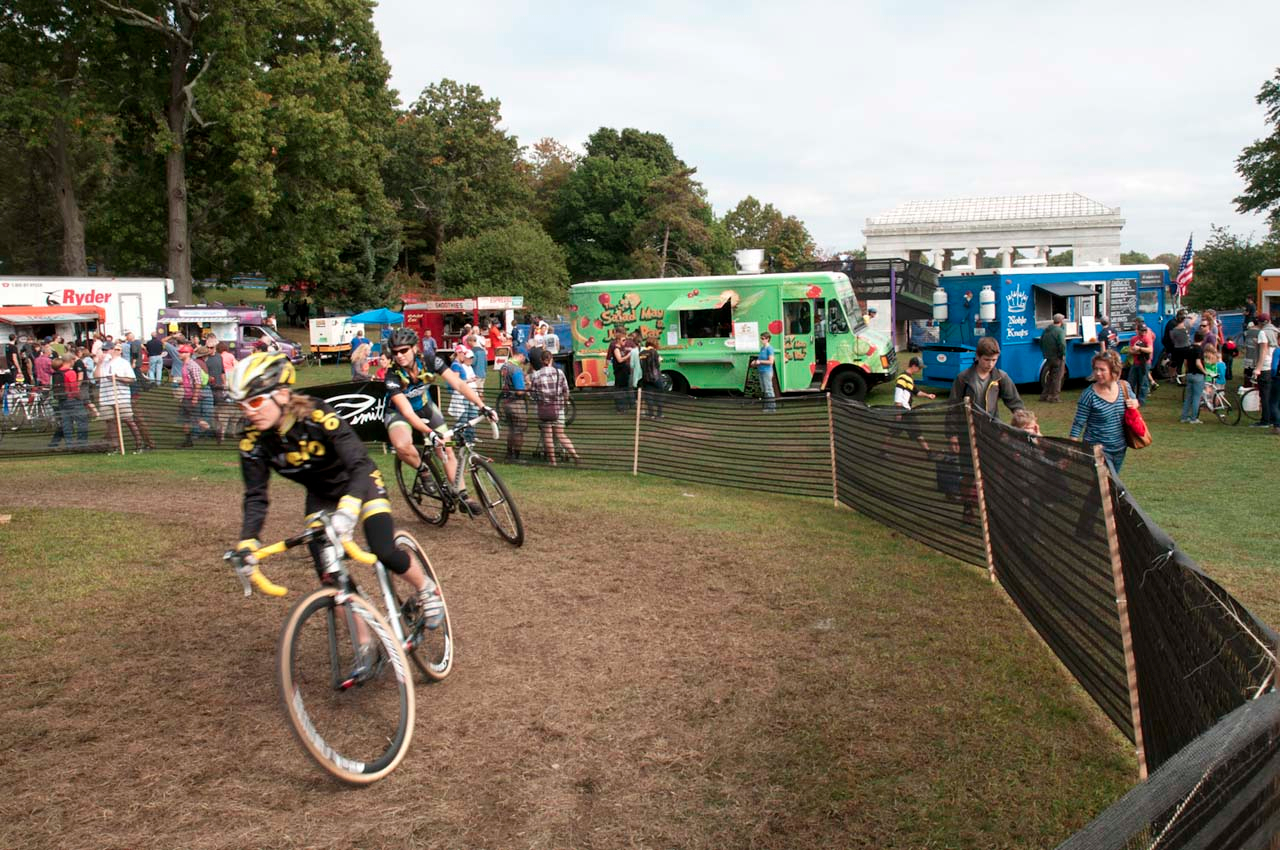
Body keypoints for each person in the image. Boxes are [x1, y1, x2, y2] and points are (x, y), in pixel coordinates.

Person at [228, 352, 446, 647]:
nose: (249, 412)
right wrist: (247, 542)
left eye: (254, 402)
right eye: (241, 405)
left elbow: (358, 462)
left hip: (360, 483)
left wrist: (348, 509)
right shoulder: (252, 441)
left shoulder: (316, 415)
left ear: (280, 394)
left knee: (383, 549)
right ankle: (366, 645)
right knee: (329, 576)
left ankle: (426, 589)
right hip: (321, 496)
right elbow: (256, 495)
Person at [381, 328, 494, 512]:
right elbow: (408, 413)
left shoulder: (430, 360)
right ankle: (423, 471)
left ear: (414, 348)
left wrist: (482, 406)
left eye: (403, 350)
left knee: (446, 449)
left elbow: (458, 383)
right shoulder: (392, 376)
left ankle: (463, 495)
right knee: (402, 445)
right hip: (399, 413)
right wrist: (430, 434)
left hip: (425, 407)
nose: (399, 356)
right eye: (394, 352)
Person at [1070, 352, 1139, 474]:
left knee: (1111, 484)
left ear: (1114, 371)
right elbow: (1078, 423)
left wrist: (1134, 403)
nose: (1097, 373)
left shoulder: (1124, 387)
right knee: (1102, 485)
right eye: (1096, 369)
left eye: (1102, 370)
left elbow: (1134, 401)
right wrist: (1071, 446)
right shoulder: (1089, 395)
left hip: (1120, 448)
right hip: (1097, 450)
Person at [949, 336, 1025, 421]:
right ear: (977, 356)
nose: (990, 364)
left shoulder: (1001, 377)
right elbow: (953, 407)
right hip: (969, 427)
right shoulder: (963, 378)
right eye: (987, 360)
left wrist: (1023, 419)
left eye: (994, 360)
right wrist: (953, 432)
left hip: (992, 428)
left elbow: (1015, 402)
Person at [95, 340, 146, 453]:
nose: (105, 352)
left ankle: (139, 444)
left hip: (121, 397)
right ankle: (115, 446)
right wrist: (99, 364)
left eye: (107, 350)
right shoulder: (102, 363)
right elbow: (97, 378)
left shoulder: (123, 363)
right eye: (103, 350)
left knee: (128, 420)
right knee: (110, 422)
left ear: (113, 350)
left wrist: (117, 378)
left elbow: (131, 379)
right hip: (105, 397)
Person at [529, 351, 579, 466]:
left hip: (543, 409)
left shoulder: (536, 375)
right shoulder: (559, 373)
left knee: (547, 435)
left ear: (541, 360)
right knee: (561, 434)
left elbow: (533, 393)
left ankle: (553, 461)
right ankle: (575, 454)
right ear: (551, 359)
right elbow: (566, 390)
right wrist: (564, 403)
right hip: (558, 408)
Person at [497, 351, 528, 459]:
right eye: (524, 358)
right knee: (519, 431)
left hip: (506, 402)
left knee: (511, 429)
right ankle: (517, 456)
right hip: (516, 403)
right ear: (520, 355)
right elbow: (520, 391)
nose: (524, 361)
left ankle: (509, 453)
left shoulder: (504, 366)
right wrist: (528, 389)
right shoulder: (516, 369)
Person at [1180, 330, 1206, 424]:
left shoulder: (1188, 348)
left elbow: (1185, 362)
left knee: (1188, 397)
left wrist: (1187, 370)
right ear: (1202, 339)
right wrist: (1204, 372)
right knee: (1196, 398)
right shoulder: (1199, 349)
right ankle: (1194, 418)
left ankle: (1184, 417)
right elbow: (1198, 363)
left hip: (1189, 374)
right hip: (1198, 375)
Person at [1038, 313, 1066, 402]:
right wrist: (1062, 354)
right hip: (1057, 357)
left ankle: (1044, 395)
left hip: (1048, 357)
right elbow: (1062, 344)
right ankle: (1054, 396)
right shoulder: (1059, 331)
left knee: (1050, 377)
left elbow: (1041, 342)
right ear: (1061, 321)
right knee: (1057, 377)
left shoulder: (1046, 330)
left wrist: (1045, 353)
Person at [1253, 314, 1274, 428]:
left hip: (1265, 367)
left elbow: (1264, 351)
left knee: (1264, 395)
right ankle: (1273, 418)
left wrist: (1258, 369)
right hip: (1274, 366)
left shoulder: (1263, 333)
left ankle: (1265, 420)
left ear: (1260, 323)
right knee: (1273, 395)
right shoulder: (1275, 330)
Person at [1128, 318, 1155, 405]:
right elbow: (1130, 351)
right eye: (1142, 331)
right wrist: (1136, 351)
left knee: (1143, 382)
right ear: (1138, 330)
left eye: (1144, 331)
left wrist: (1139, 349)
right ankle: (1131, 399)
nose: (1143, 332)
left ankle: (1141, 401)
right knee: (1131, 382)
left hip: (1144, 363)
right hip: (1135, 362)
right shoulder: (1133, 339)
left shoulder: (1147, 338)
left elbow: (1150, 349)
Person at [639, 335, 664, 419]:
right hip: (656, 377)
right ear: (654, 343)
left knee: (648, 396)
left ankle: (651, 414)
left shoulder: (641, 353)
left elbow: (642, 365)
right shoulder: (654, 352)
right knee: (659, 395)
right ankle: (659, 414)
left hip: (646, 377)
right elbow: (657, 365)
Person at [751, 331, 777, 413]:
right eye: (761, 338)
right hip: (761, 371)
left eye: (763, 338)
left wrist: (760, 362)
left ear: (767, 339)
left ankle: (772, 408)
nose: (761, 340)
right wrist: (755, 362)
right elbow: (760, 360)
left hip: (767, 371)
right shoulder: (762, 348)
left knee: (768, 389)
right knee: (765, 390)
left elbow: (771, 362)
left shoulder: (770, 348)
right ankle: (767, 407)